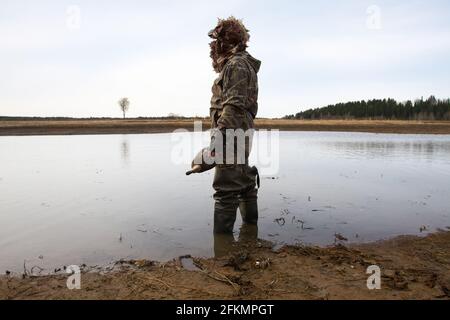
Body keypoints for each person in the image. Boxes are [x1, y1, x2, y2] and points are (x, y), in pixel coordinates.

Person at [188, 17, 261, 236]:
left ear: (224, 42)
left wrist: (215, 145)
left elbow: (232, 107)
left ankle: (223, 251)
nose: (213, 49)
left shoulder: (236, 65)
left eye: (216, 43)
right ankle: (251, 233)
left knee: (225, 191)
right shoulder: (240, 64)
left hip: (232, 135)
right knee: (243, 181)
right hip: (238, 132)